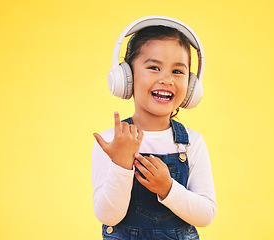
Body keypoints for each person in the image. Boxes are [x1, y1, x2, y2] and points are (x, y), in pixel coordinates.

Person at [91, 16, 216, 239]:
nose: (167, 79)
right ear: (126, 77)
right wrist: (121, 164)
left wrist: (168, 188)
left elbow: (206, 215)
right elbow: (108, 216)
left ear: (191, 87)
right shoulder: (111, 140)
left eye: (177, 71)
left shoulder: (191, 143)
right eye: (154, 67)